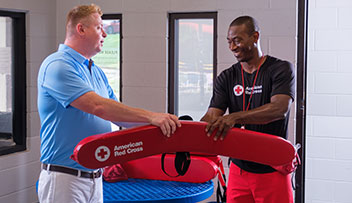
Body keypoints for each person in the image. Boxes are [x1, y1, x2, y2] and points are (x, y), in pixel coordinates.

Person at [37, 4, 181, 203]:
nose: (105, 34)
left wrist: (161, 125)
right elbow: (99, 107)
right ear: (81, 29)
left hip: (95, 178)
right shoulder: (57, 65)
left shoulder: (95, 71)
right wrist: (151, 116)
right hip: (65, 178)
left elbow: (119, 115)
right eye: (99, 28)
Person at [201, 16, 295, 203]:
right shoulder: (227, 77)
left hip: (271, 169)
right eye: (229, 42)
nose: (232, 47)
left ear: (255, 37)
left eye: (237, 40)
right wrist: (184, 129)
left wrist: (235, 118)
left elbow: (279, 109)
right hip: (239, 169)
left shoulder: (280, 69)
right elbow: (212, 116)